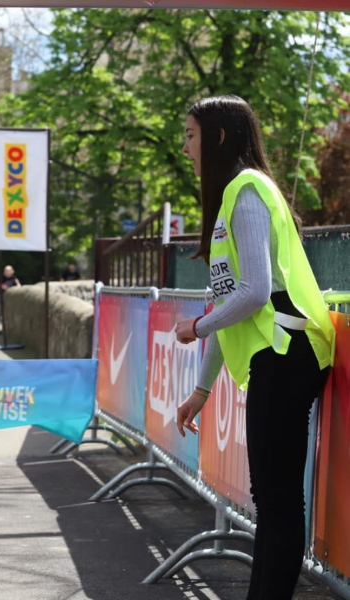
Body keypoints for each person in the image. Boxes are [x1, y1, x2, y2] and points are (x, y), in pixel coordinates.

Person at [173, 95, 334, 600]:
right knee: (271, 498)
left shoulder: (247, 191)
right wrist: (201, 390)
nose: (185, 148)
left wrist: (196, 328)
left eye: (191, 135)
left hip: (288, 355)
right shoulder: (232, 199)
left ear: (219, 136)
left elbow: (255, 293)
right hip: (278, 358)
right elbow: (233, 304)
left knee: (279, 500)